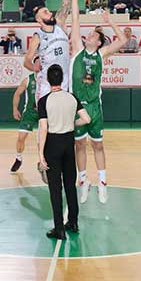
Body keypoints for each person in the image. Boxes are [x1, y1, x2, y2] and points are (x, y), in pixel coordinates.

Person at [71, 2, 129, 204]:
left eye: (93, 35)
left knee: (98, 145)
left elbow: (123, 40)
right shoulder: (77, 50)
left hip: (95, 107)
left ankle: (102, 183)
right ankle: (83, 181)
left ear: (98, 43)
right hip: (78, 107)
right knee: (79, 145)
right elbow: (75, 19)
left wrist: (109, 21)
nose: (89, 35)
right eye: (89, 34)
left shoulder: (100, 54)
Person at [37, 64, 91, 239]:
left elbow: (43, 128)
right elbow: (87, 119)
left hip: (52, 144)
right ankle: (73, 222)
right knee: (70, 184)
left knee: (55, 188)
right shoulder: (72, 97)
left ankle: (59, 228)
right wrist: (72, 123)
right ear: (62, 79)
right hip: (69, 143)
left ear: (48, 79)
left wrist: (41, 154)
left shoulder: (44, 101)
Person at [24, 0, 76, 100]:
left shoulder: (59, 23)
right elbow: (26, 61)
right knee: (46, 113)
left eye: (48, 11)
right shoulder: (38, 36)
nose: (50, 13)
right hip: (47, 84)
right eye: (45, 12)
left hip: (65, 81)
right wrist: (36, 69)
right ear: (38, 19)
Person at [10, 56, 41, 173]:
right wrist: (15, 109)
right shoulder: (28, 80)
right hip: (30, 111)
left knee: (42, 140)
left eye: (40, 63)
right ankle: (18, 158)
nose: (38, 65)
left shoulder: (47, 79)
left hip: (44, 111)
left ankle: (43, 161)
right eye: (36, 62)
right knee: (21, 137)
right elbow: (17, 94)